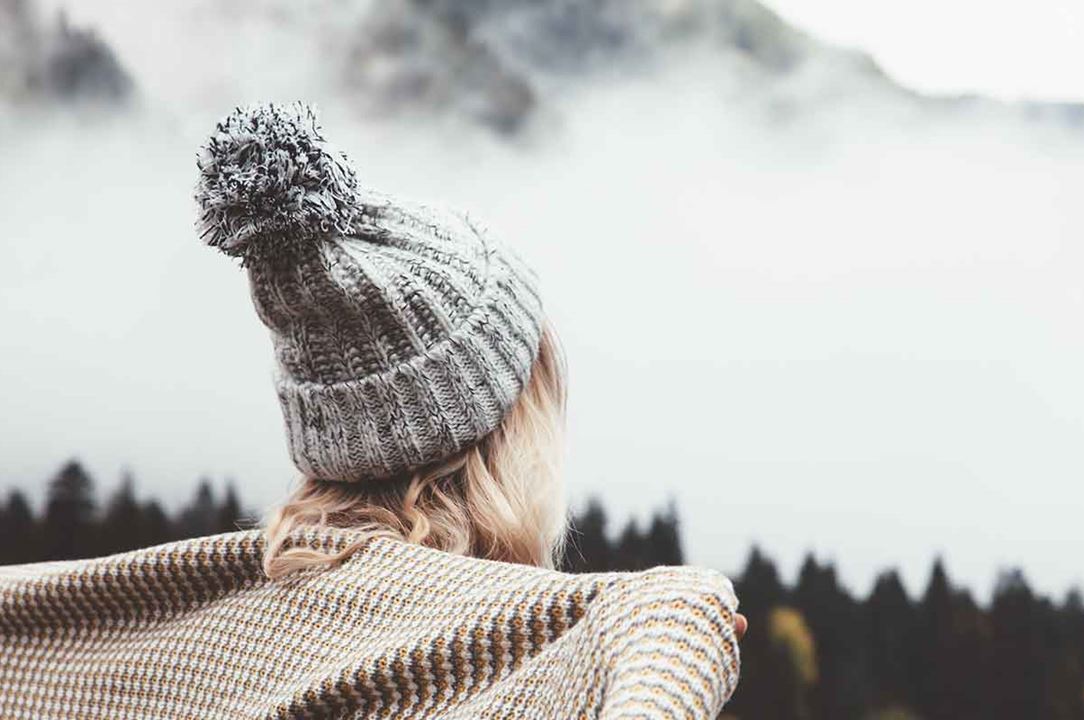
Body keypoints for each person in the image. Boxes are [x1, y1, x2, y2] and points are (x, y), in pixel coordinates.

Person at [0, 103, 743, 718]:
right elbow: (671, 631)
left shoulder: (156, 629)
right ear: (508, 431)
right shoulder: (619, 634)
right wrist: (685, 641)